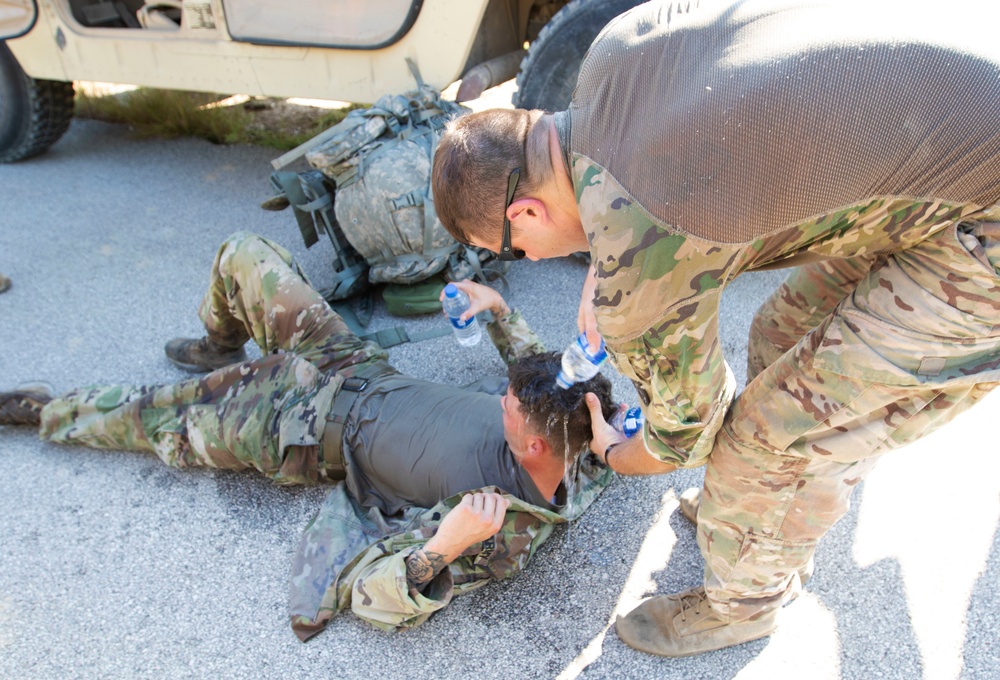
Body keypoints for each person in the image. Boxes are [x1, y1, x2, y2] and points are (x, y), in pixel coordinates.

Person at [430, 0, 1000, 658]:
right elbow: (638, 182)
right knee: (778, 335)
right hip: (948, 129)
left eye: (515, 248)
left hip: (982, 229)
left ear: (525, 211)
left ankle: (743, 608)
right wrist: (608, 255)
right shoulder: (613, 52)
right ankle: (778, 505)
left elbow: (686, 438)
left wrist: (615, 451)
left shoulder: (638, 264)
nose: (528, 260)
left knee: (759, 440)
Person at [0, 232, 617, 639]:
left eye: (508, 404)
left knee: (154, 414)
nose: (502, 397)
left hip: (297, 427)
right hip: (354, 366)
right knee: (243, 252)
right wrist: (501, 314)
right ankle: (219, 342)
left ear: (533, 446)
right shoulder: (576, 436)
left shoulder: (493, 527)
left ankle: (48, 412)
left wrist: (441, 550)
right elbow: (547, 376)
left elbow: (376, 596)